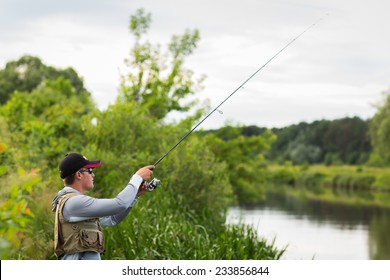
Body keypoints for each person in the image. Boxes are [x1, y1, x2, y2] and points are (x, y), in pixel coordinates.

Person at [51, 153, 154, 260]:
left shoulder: (76, 204)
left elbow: (112, 219)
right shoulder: (73, 203)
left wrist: (135, 195)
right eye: (90, 170)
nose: (93, 175)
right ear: (79, 175)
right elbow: (119, 204)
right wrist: (137, 178)